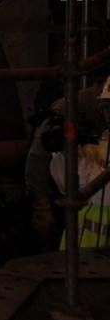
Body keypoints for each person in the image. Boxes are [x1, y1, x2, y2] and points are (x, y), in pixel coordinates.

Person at [49, 76, 110, 248]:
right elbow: (66, 184)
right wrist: (62, 151)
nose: (108, 115)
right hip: (81, 251)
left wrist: (78, 164)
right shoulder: (100, 142)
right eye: (106, 107)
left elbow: (105, 190)